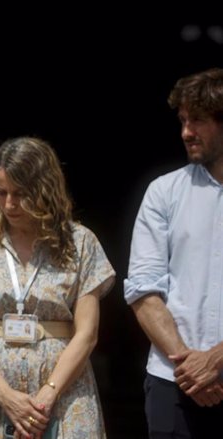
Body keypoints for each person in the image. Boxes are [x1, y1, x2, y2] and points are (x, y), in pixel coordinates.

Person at [0, 137, 115, 439]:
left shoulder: (80, 243)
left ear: (45, 189)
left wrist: (47, 395)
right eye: (2, 193)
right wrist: (6, 395)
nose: (10, 204)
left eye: (21, 193)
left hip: (65, 393)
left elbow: (87, 333)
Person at [125, 67, 223, 438]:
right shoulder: (163, 193)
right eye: (182, 120)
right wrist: (191, 368)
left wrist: (215, 359)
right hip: (173, 384)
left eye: (197, 120)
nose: (186, 132)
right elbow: (143, 292)